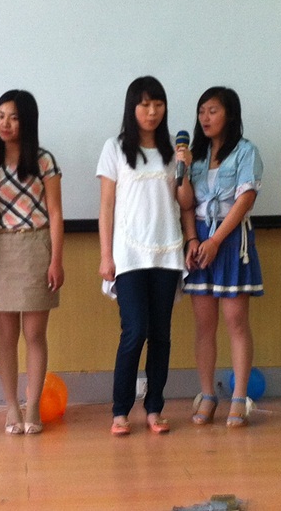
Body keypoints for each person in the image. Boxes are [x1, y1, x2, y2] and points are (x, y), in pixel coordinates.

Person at [96, 76, 188, 436]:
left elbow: (185, 202)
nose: (152, 112)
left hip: (167, 252)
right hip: (129, 255)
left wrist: (184, 168)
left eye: (158, 104)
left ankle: (154, 408)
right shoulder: (115, 148)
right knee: (134, 331)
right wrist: (106, 255)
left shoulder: (173, 150)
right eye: (145, 104)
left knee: (161, 335)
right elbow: (106, 205)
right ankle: (120, 410)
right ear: (132, 107)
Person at [0, 90, 64, 436]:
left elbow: (55, 213)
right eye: (0, 116)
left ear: (27, 121)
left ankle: (33, 405)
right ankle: (11, 405)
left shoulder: (43, 160)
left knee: (35, 334)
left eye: (13, 117)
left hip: (36, 246)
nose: (6, 123)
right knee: (6, 336)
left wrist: (56, 260)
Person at [177, 87, 264, 428]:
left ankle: (239, 398)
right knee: (204, 325)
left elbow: (245, 200)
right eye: (201, 111)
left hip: (229, 239)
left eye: (212, 110)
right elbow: (186, 203)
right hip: (199, 240)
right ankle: (207, 395)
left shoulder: (246, 151)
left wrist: (215, 240)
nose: (205, 117)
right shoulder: (194, 156)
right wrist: (193, 239)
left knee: (236, 322)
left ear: (230, 114)